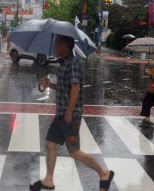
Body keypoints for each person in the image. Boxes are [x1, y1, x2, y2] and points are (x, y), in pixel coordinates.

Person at [29, 35, 114, 191]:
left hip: (69, 115)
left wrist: (69, 113)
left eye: (57, 44)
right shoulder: (64, 64)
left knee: (74, 152)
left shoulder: (73, 64)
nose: (55, 47)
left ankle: (103, 173)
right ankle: (49, 180)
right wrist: (50, 85)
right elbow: (65, 89)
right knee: (49, 143)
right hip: (61, 114)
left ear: (66, 46)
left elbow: (75, 89)